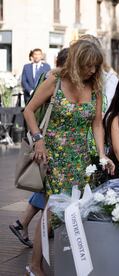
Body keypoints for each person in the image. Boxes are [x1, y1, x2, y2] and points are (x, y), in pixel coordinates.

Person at [23, 39, 115, 276]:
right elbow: (29, 110)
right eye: (88, 65)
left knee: (78, 208)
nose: (93, 70)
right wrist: (38, 139)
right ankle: (35, 265)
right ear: (76, 62)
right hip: (52, 156)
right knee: (52, 209)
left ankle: (73, 262)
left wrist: (102, 156)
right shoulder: (55, 80)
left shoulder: (95, 85)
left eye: (96, 66)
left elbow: (96, 124)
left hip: (80, 159)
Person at [9, 48, 69, 249]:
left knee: (46, 186)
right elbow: (32, 108)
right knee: (49, 188)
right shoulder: (52, 77)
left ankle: (24, 224)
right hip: (49, 139)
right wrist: (38, 138)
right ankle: (38, 233)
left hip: (50, 139)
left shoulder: (48, 73)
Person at [79, 34, 119, 112]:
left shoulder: (110, 80)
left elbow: (109, 110)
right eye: (88, 64)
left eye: (95, 64)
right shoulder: (62, 78)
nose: (93, 70)